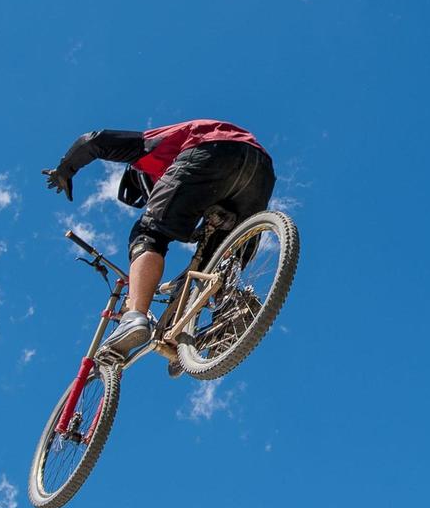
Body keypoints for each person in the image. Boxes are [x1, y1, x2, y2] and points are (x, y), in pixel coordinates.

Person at [43, 119, 275, 357]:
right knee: (213, 267)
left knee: (149, 234)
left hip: (209, 151)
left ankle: (134, 318)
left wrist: (64, 170)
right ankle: (229, 311)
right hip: (261, 173)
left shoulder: (147, 148)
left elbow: (93, 140)